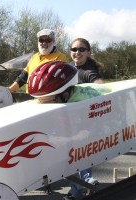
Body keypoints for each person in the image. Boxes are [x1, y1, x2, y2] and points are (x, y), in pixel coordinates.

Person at [28, 61, 111, 200]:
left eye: (48, 102)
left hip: (92, 122)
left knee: (80, 149)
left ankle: (83, 182)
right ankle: (76, 189)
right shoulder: (59, 100)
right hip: (71, 122)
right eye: (40, 101)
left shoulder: (83, 100)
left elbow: (98, 118)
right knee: (67, 154)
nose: (44, 105)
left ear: (65, 95)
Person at [67, 38, 105, 199]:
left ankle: (82, 184)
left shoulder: (88, 71)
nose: (77, 52)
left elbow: (100, 85)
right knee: (71, 157)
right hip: (68, 120)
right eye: (74, 49)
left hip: (85, 122)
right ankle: (76, 190)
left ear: (88, 52)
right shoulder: (68, 69)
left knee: (80, 154)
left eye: (82, 49)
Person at [8, 28, 68, 93]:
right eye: (41, 40)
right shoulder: (34, 57)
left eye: (48, 40)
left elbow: (59, 81)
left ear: (54, 42)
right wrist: (10, 89)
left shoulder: (60, 57)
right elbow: (23, 77)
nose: (44, 43)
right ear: (38, 42)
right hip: (30, 97)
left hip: (48, 99)